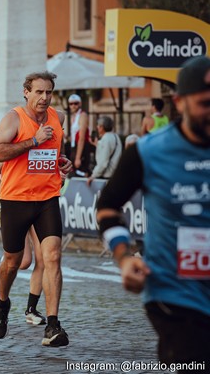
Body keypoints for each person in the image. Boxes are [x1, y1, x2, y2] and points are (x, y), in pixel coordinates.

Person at [96, 56, 210, 371]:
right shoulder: (148, 152)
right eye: (205, 103)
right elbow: (106, 207)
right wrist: (124, 257)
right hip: (176, 296)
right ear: (180, 102)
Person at [0, 71, 73, 347]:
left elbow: (51, 154)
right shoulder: (14, 119)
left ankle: (52, 325)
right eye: (38, 92)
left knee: (52, 257)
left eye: (48, 92)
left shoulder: (57, 117)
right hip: (15, 200)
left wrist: (63, 162)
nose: (44, 97)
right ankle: (3, 304)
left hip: (48, 197)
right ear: (26, 92)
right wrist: (33, 140)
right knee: (13, 262)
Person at [0, 162, 46, 325]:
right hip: (14, 205)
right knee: (23, 262)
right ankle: (5, 264)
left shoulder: (44, 143)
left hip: (39, 203)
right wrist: (6, 192)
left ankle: (31, 310)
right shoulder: (11, 143)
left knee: (43, 258)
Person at [86, 116, 122, 186]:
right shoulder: (116, 136)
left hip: (106, 176)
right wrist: (98, 145)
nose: (97, 127)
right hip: (115, 175)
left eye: (98, 126)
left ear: (102, 127)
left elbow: (103, 162)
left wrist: (93, 175)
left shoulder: (106, 139)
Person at [67, 94, 91, 177]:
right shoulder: (74, 116)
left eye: (75, 103)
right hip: (74, 147)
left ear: (80, 104)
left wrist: (78, 157)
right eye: (71, 104)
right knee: (75, 173)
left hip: (81, 148)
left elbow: (82, 138)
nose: (73, 106)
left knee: (81, 173)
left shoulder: (82, 115)